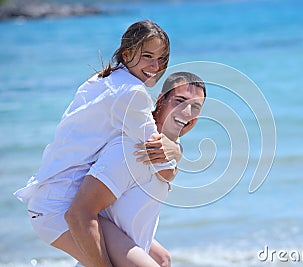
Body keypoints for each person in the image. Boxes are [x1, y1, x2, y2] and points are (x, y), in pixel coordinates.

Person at [14, 20, 181, 265]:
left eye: (162, 59)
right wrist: (176, 149)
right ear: (127, 53)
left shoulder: (100, 79)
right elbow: (162, 165)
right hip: (61, 207)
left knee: (161, 259)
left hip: (63, 199)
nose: (156, 67)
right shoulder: (132, 93)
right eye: (147, 56)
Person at [66, 72, 206, 267]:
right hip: (105, 256)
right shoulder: (132, 148)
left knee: (164, 260)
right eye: (180, 101)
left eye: (196, 107)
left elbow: (166, 171)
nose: (187, 112)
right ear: (161, 100)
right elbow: (82, 211)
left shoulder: (169, 146)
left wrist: (177, 152)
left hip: (126, 246)